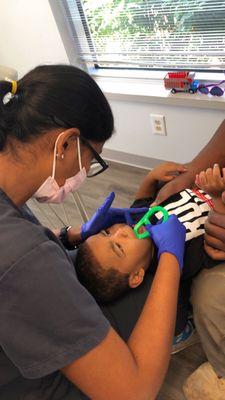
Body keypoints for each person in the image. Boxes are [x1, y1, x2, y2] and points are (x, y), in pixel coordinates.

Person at [0, 64, 186, 400]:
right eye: (92, 159)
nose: (86, 171)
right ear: (66, 143)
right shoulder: (26, 258)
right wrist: (172, 258)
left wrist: (75, 234)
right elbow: (133, 391)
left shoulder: (11, 201)